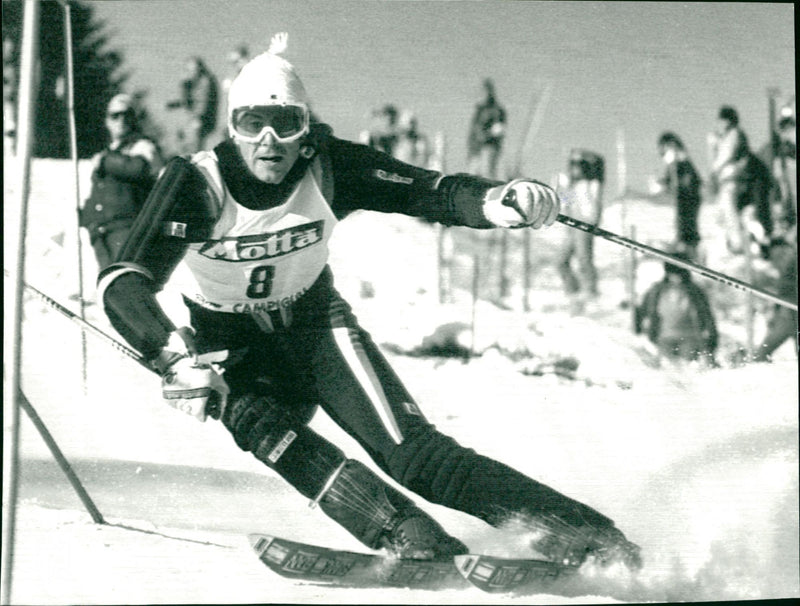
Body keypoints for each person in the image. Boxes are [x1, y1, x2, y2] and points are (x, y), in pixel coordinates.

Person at [96, 43, 641, 568]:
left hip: (315, 329)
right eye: (251, 123)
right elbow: (123, 280)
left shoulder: (329, 166)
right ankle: (407, 535)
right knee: (258, 424)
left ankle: (589, 538)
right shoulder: (196, 182)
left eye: (286, 124)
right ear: (231, 127)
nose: (269, 141)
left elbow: (429, 189)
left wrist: (496, 200)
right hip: (233, 347)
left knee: (418, 460)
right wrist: (171, 356)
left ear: (306, 129)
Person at [79, 94, 164, 270]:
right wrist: (85, 217)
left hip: (128, 227)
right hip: (101, 230)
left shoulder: (143, 146)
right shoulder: (107, 152)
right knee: (106, 283)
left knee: (123, 280)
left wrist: (106, 162)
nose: (121, 120)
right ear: (107, 121)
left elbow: (141, 169)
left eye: (127, 115)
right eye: (115, 116)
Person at [708, 105, 773, 254]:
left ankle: (739, 243)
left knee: (729, 210)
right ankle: (751, 240)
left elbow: (724, 157)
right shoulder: (730, 136)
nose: (720, 124)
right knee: (733, 213)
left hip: (734, 180)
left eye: (722, 121)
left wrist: (713, 148)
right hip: (734, 180)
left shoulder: (734, 134)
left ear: (729, 121)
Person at [635, 254, 718, 365]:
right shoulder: (657, 290)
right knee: (667, 370)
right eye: (674, 275)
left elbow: (706, 314)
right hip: (663, 337)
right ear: (668, 273)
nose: (677, 278)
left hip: (690, 337)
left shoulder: (694, 290)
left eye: (680, 274)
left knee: (688, 368)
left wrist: (712, 338)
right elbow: (642, 309)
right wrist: (638, 329)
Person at [556, 149, 605, 307]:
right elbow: (565, 203)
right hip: (572, 225)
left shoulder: (592, 184)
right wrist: (561, 189)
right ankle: (573, 291)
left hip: (584, 224)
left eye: (577, 167)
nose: (573, 170)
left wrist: (591, 223)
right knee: (561, 261)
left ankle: (590, 291)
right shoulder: (573, 185)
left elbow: (594, 206)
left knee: (584, 259)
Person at [655, 132, 703, 260]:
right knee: (685, 226)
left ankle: (690, 253)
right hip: (686, 197)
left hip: (687, 197)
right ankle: (688, 250)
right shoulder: (679, 160)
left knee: (686, 226)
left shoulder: (679, 159)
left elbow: (686, 180)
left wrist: (666, 184)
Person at [752, 236, 797, 362]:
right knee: (761, 355)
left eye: (781, 256)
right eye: (775, 258)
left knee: (761, 354)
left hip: (790, 316)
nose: (778, 262)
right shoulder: (784, 272)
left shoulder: (792, 261)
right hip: (788, 316)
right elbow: (783, 293)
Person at [166, 56, 219, 154]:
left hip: (198, 121)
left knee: (193, 151)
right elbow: (187, 101)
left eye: (192, 69)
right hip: (193, 120)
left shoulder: (205, 82)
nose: (190, 72)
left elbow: (204, 101)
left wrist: (198, 119)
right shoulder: (194, 83)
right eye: (188, 69)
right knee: (185, 147)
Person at [467, 78, 506, 179]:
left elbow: (498, 130)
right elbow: (474, 131)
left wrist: (486, 135)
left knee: (487, 177)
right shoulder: (479, 111)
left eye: (483, 91)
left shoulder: (496, 110)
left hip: (488, 148)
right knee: (472, 179)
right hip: (476, 149)